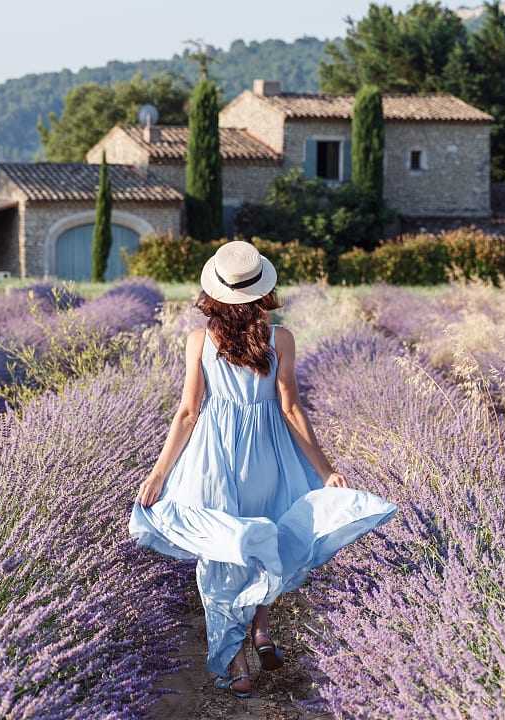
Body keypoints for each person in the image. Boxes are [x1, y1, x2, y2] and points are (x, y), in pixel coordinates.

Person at [129, 240, 397, 698]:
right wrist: (326, 469)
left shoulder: (199, 340)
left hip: (215, 456)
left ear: (215, 291)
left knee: (223, 551)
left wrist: (158, 474)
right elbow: (291, 408)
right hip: (267, 453)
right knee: (266, 537)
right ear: (262, 291)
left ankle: (238, 667)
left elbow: (189, 412)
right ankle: (263, 633)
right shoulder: (280, 337)